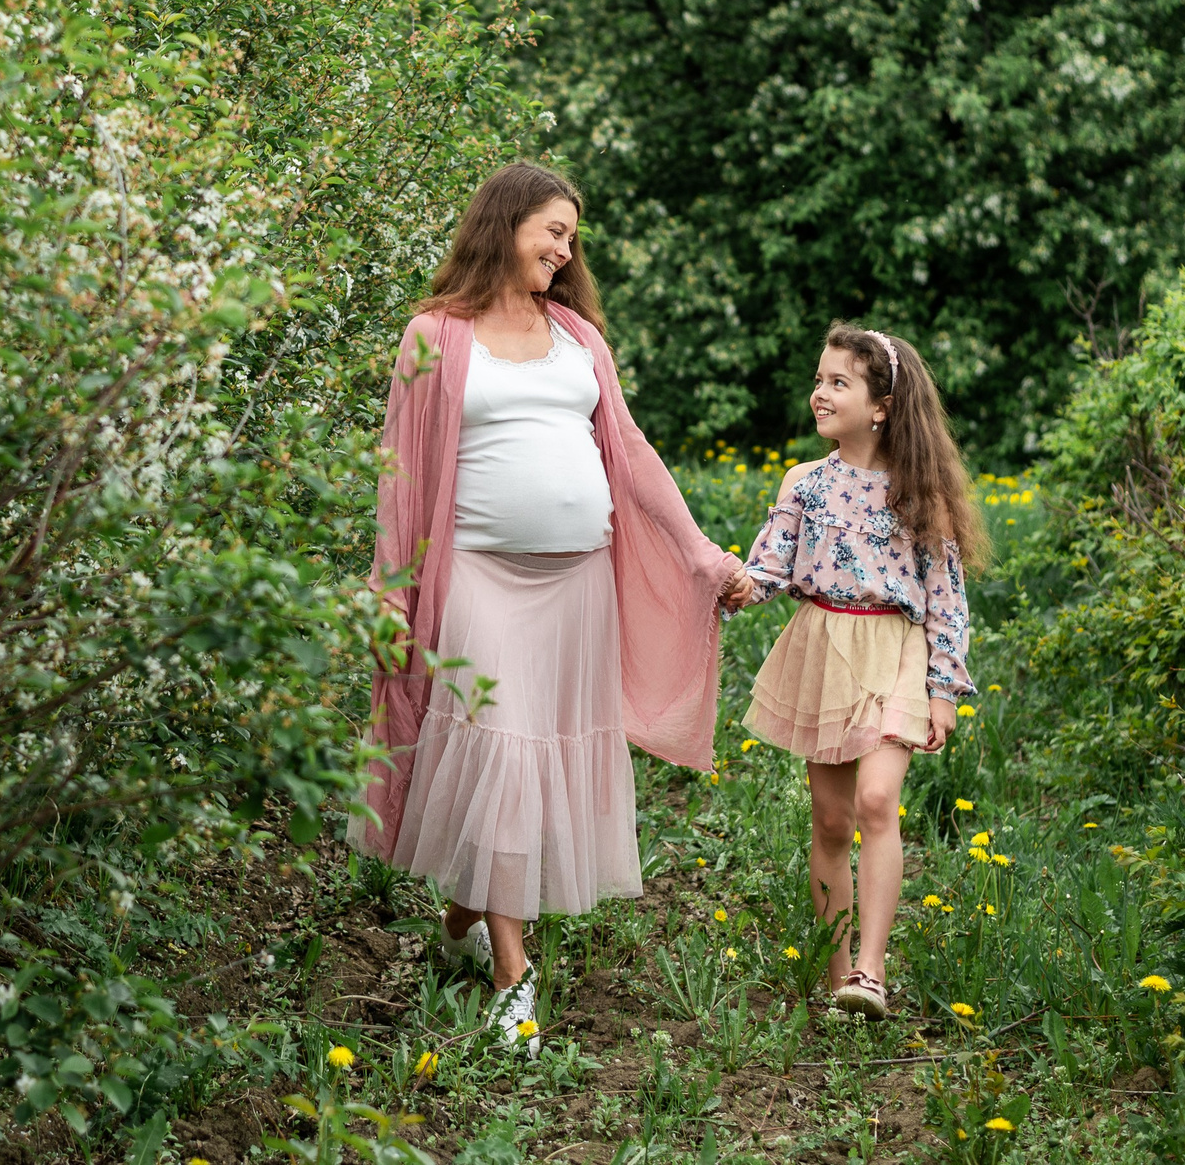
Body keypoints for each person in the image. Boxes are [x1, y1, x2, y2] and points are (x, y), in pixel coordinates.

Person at [355, 162, 752, 1053]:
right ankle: (511, 974)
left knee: (530, 766)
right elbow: (401, 474)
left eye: (572, 237)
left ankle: (462, 920)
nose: (566, 249)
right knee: (501, 752)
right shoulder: (433, 335)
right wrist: (388, 594)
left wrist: (700, 552)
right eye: (554, 230)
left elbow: (631, 451)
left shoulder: (577, 336)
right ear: (505, 225)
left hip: (578, 587)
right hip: (482, 578)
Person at [733, 324, 986, 1020]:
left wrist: (944, 690)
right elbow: (768, 571)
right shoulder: (804, 483)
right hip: (825, 649)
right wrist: (723, 582)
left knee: (878, 802)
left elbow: (947, 598)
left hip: (895, 649)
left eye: (838, 382)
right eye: (819, 380)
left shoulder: (917, 493)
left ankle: (872, 970)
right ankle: (837, 972)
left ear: (880, 405)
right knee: (830, 818)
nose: (819, 393)